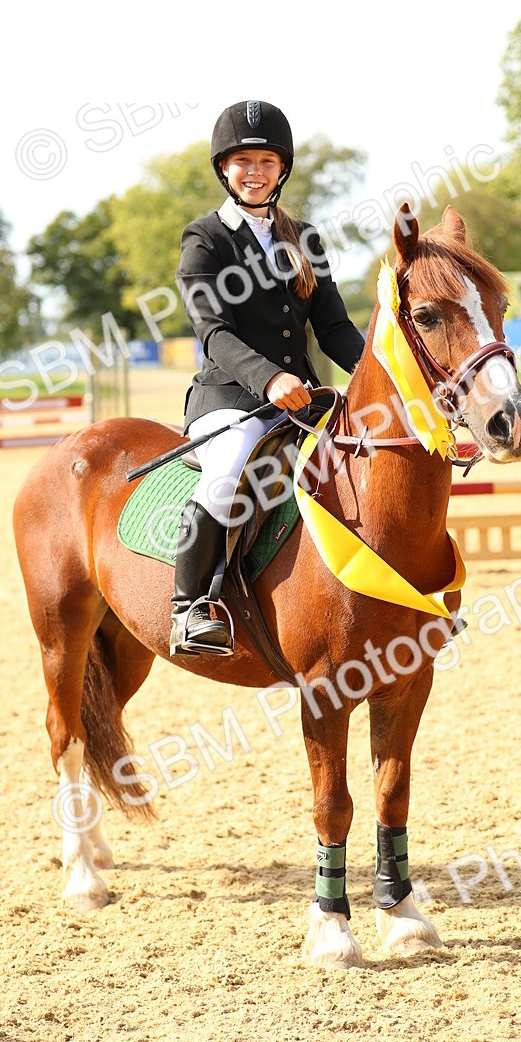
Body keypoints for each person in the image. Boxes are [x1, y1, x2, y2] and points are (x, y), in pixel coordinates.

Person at [171, 99, 366, 657]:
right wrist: (268, 381)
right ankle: (189, 607)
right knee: (228, 469)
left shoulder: (303, 238)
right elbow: (213, 332)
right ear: (224, 170)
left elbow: (333, 328)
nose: (253, 171)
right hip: (231, 398)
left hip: (304, 397)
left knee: (369, 458)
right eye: (242, 162)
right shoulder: (204, 238)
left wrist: (380, 374)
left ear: (281, 169)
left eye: (265, 161)